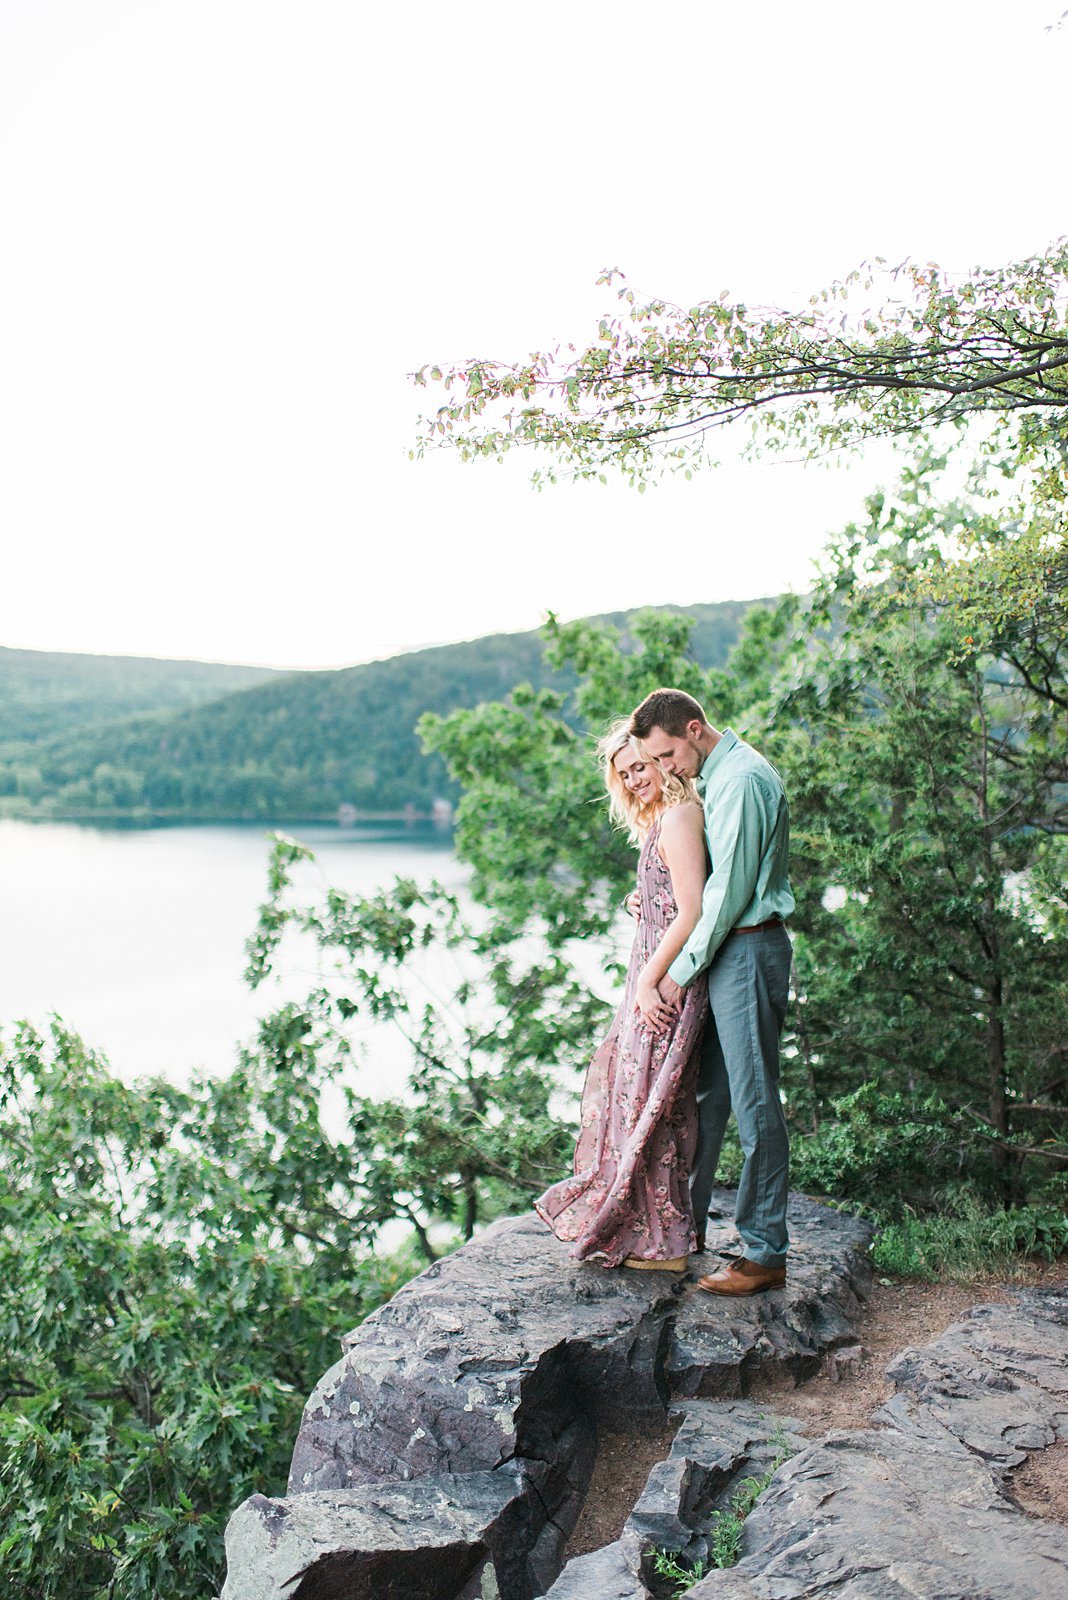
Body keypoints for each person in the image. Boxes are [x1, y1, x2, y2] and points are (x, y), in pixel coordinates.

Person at [629, 689, 795, 1297]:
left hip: (748, 950)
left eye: (669, 753)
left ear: (695, 730)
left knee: (754, 1104)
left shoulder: (744, 779)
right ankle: (682, 1231)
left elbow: (728, 894)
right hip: (729, 952)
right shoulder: (720, 779)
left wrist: (676, 970)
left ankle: (764, 1254)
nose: (666, 768)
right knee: (708, 1097)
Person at [534, 721, 709, 1270]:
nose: (634, 779)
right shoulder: (663, 820)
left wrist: (648, 983)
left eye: (641, 765)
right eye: (624, 772)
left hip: (666, 978)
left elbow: (694, 910)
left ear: (662, 761)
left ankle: (662, 1245)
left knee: (652, 1102)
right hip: (654, 971)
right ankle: (647, 1233)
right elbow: (672, 894)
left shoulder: (681, 816)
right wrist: (641, 899)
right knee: (637, 1095)